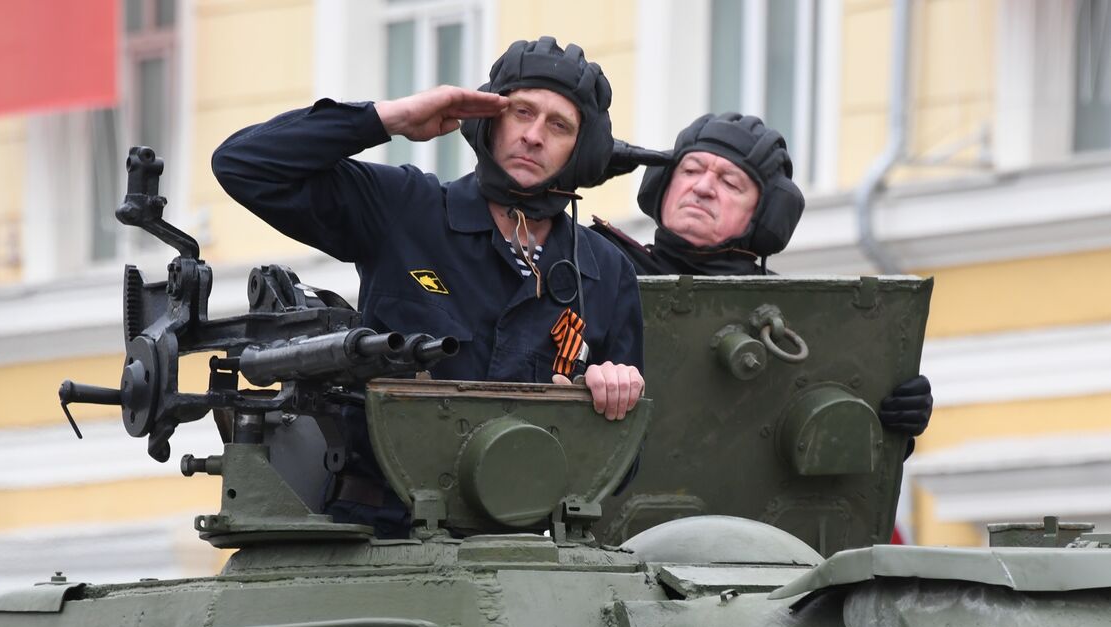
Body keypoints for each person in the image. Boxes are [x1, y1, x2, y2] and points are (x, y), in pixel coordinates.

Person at [212, 37, 645, 533]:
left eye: (559, 125)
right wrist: (388, 119)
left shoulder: (604, 271)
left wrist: (607, 404)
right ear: (490, 118)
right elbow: (244, 165)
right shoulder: (407, 210)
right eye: (521, 111)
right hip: (381, 536)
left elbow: (623, 465)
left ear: (581, 148)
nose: (533, 135)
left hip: (517, 551)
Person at [593, 112, 933, 442]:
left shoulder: (793, 319)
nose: (703, 187)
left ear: (766, 214)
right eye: (691, 170)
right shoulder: (599, 269)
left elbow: (826, 434)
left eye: (730, 182)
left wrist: (892, 415)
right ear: (662, 184)